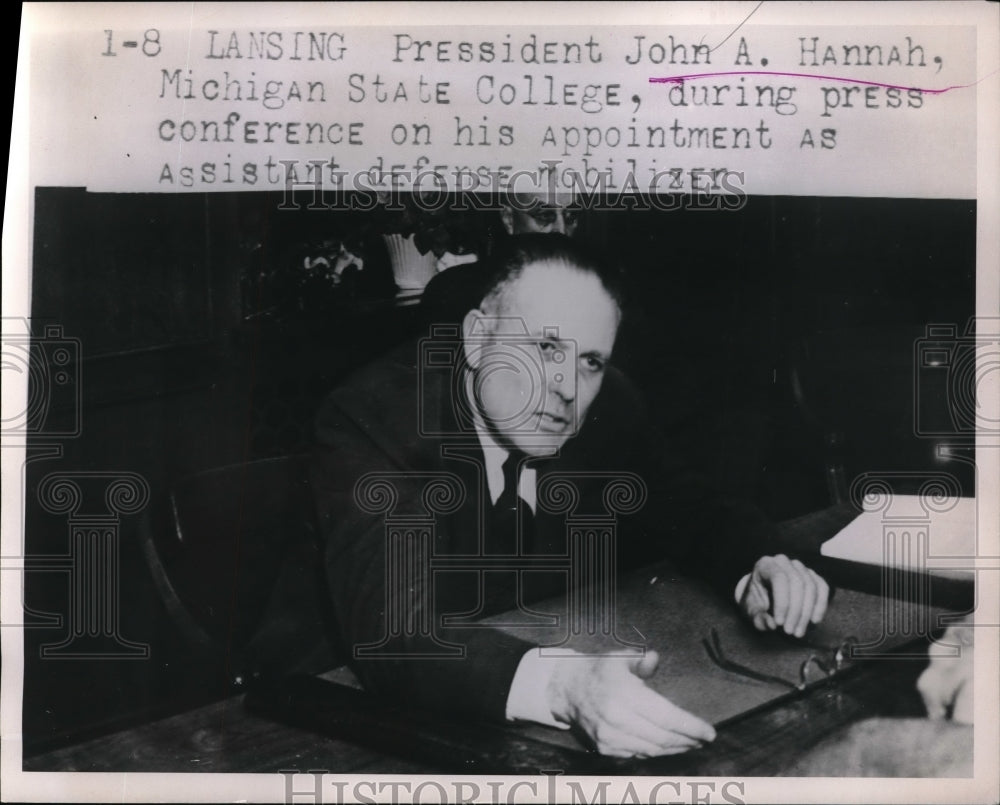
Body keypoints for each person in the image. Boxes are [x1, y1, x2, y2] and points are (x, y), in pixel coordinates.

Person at [312, 234, 830, 758]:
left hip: (515, 707)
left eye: (591, 361)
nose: (567, 388)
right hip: (332, 717)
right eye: (545, 347)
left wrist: (756, 568)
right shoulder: (377, 420)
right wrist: (563, 688)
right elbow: (397, 636)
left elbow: (691, 509)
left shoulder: (610, 407)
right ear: (476, 339)